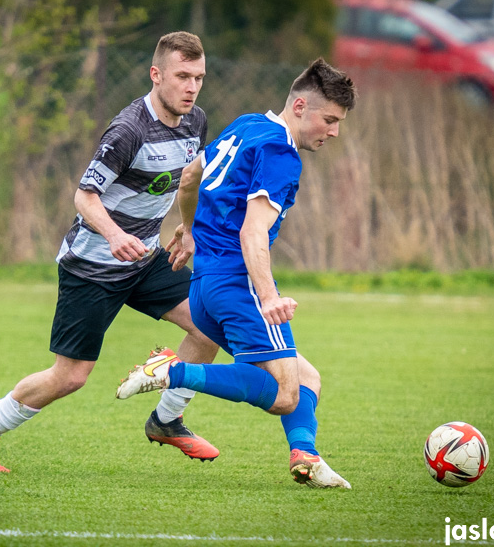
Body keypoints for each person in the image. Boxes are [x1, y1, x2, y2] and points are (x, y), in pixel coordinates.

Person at [0, 32, 220, 472]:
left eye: (198, 77)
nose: (191, 87)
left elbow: (189, 179)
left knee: (208, 327)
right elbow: (84, 197)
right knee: (71, 377)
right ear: (156, 75)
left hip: (146, 258)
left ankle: (166, 419)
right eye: (182, 76)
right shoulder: (128, 129)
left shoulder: (196, 122)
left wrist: (187, 230)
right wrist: (115, 236)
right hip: (93, 266)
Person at [116, 58, 357, 488]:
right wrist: (267, 296)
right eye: (330, 119)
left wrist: (189, 229)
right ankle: (171, 371)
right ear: (300, 106)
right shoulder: (281, 153)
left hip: (205, 284)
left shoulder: (247, 125)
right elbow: (253, 231)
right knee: (285, 394)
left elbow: (190, 176)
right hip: (237, 285)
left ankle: (306, 456)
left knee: (306, 379)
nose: (334, 131)